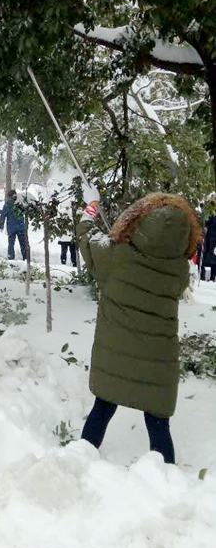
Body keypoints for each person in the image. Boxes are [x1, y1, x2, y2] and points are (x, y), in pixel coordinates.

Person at [78, 193, 201, 464]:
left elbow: (87, 239)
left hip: (116, 356)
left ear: (138, 220)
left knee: (103, 408)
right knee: (158, 423)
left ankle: (80, 461)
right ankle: (166, 477)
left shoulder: (116, 256)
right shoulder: (179, 270)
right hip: (158, 362)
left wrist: (91, 208)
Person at [0, 189, 28, 261]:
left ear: (9, 197)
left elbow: (3, 216)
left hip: (11, 227)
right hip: (20, 227)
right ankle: (26, 257)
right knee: (23, 244)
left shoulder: (7, 205)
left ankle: (11, 257)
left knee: (11, 244)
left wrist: (1, 225)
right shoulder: (20, 204)